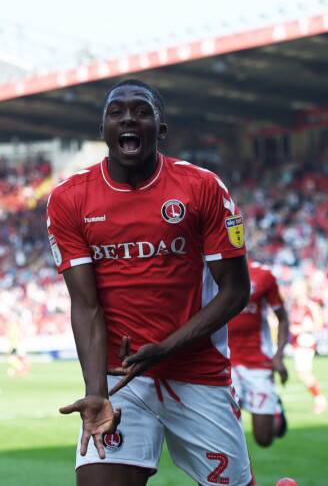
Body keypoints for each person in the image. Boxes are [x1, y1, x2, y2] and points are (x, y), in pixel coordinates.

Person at [46, 79, 253, 486]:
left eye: (141, 111)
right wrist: (97, 391)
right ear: (102, 129)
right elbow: (85, 305)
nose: (128, 118)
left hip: (197, 372)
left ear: (161, 129)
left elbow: (235, 290)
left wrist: (165, 348)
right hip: (121, 378)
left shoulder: (202, 187)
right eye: (116, 112)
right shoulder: (69, 198)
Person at [229, 259, 289, 447]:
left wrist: (278, 356)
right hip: (225, 363)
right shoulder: (207, 271)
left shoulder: (264, 275)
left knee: (263, 439)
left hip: (258, 362)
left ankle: (275, 408)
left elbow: (283, 318)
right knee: (227, 435)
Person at [288, 280, 328, 414]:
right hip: (296, 343)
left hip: (305, 342)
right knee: (302, 373)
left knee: (303, 373)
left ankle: (320, 400)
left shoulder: (310, 305)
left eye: (297, 287)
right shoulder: (295, 305)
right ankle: (319, 400)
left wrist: (300, 329)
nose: (294, 289)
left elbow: (319, 324)